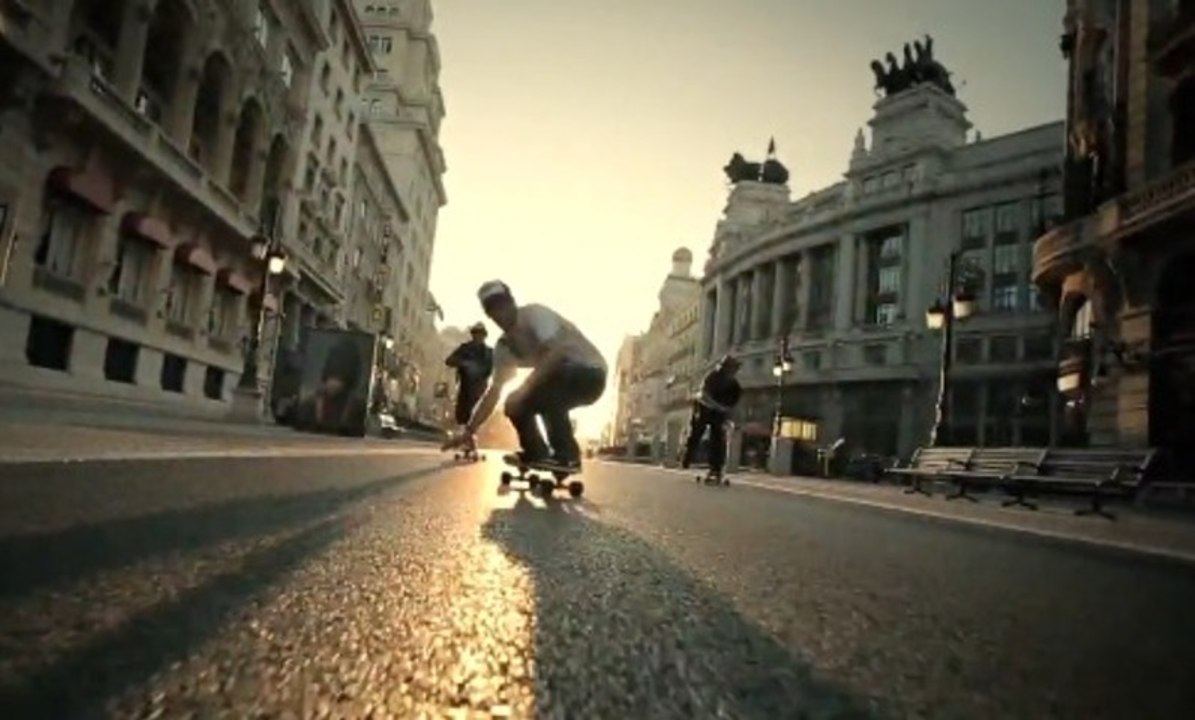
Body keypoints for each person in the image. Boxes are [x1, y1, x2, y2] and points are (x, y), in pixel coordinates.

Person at [449, 280, 607, 471]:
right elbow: (494, 392)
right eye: (492, 310)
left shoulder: (535, 315)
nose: (499, 313)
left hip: (590, 372)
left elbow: (557, 354)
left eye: (502, 305)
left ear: (512, 302)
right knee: (513, 404)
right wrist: (470, 430)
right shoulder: (504, 347)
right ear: (488, 315)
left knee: (543, 387)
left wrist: (527, 387)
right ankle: (537, 453)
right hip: (561, 378)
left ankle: (568, 455)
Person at [681, 354, 743, 479]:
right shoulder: (713, 376)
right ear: (725, 368)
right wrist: (718, 406)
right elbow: (704, 395)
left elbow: (734, 403)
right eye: (732, 369)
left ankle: (716, 467)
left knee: (718, 437)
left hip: (718, 411)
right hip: (704, 407)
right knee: (697, 431)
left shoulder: (734, 385)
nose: (734, 372)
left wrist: (729, 414)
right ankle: (687, 458)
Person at [444, 322, 493, 455]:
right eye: (476, 334)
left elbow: (494, 369)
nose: (478, 337)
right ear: (473, 335)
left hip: (479, 387)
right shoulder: (465, 348)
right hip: (465, 386)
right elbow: (449, 360)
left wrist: (480, 370)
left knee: (472, 414)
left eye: (481, 334)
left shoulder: (489, 353)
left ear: (484, 336)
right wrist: (464, 363)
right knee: (461, 414)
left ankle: (469, 441)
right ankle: (469, 442)